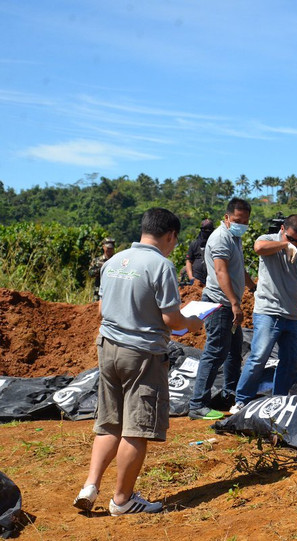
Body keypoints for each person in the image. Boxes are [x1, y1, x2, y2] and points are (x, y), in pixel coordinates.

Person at [73, 208, 203, 515]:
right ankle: (122, 499)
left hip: (107, 348)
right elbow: (173, 320)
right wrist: (195, 322)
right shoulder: (162, 265)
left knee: (109, 421)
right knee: (136, 428)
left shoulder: (114, 261)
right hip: (142, 354)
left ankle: (90, 486)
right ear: (170, 236)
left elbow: (102, 309)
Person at [232, 215, 297, 411]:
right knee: (259, 357)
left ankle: (278, 398)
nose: (296, 243)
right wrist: (284, 245)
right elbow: (258, 248)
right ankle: (241, 400)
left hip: (292, 314)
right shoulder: (270, 241)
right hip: (267, 311)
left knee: (291, 360)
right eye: (291, 238)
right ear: (282, 229)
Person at [188, 198, 257, 420]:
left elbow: (238, 268)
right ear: (227, 217)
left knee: (234, 353)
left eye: (245, 221)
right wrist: (235, 303)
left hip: (229, 303)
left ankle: (229, 395)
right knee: (215, 351)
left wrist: (252, 286)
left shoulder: (234, 237)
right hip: (220, 304)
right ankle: (197, 404)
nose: (242, 224)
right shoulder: (220, 238)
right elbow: (221, 272)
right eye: (238, 220)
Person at [184, 219, 215, 286]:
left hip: (213, 280)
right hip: (197, 280)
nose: (207, 232)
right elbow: (189, 261)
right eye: (205, 230)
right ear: (201, 230)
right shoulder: (194, 244)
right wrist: (191, 277)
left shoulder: (216, 244)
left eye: (209, 230)